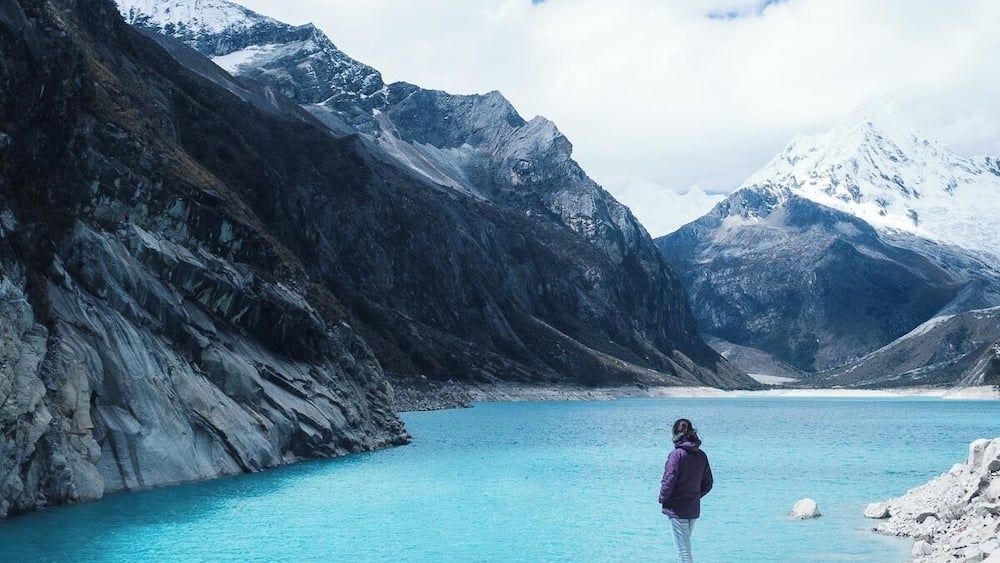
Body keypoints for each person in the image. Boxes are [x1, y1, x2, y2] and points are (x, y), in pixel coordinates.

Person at [659, 418, 713, 563]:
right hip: (693, 508)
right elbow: (708, 484)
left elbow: (668, 480)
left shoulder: (676, 455)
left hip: (677, 509)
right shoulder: (701, 455)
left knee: (683, 552)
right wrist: (694, 495)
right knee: (684, 547)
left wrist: (662, 498)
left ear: (675, 435)